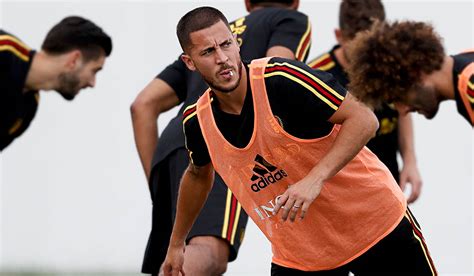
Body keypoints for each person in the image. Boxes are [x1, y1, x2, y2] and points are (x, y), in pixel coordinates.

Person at [163, 6, 437, 275]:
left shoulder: (281, 78)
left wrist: (313, 179)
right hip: (303, 256)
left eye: (226, 44)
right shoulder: (197, 121)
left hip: (375, 225)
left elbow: (365, 119)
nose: (222, 58)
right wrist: (176, 244)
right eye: (208, 52)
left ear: (237, 43)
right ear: (189, 61)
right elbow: (198, 175)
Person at [130, 0, 311, 274]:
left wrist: (158, 186)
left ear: (248, 3)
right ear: (295, 2)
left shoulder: (202, 37)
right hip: (219, 142)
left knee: (177, 258)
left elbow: (142, 105)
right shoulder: (287, 21)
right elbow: (276, 69)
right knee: (211, 254)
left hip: (169, 147)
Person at [307, 0, 422, 204]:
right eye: (359, 45)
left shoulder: (392, 66)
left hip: (387, 184)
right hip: (340, 192)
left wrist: (410, 160)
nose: (368, 53)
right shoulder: (316, 75)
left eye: (373, 43)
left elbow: (404, 110)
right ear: (339, 36)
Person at [0, 16, 112, 151]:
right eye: (94, 71)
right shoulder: (4, 49)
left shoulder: (28, 108)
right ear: (74, 60)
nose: (93, 83)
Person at [346, 20, 473, 127]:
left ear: (414, 72)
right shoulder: (468, 61)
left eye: (398, 97)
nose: (403, 111)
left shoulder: (471, 83)